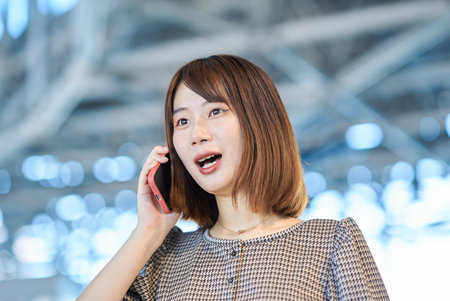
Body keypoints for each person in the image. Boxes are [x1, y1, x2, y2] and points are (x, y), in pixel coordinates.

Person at [77, 54, 389, 300]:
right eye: (182, 121)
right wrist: (147, 232)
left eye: (215, 111)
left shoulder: (331, 244)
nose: (196, 134)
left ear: (260, 121)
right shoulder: (165, 259)